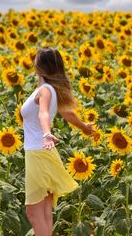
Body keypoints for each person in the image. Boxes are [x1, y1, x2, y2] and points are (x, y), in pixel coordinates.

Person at [20, 47, 95, 236]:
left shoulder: (45, 91)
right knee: (44, 211)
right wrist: (84, 126)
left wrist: (46, 133)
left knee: (34, 213)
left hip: (38, 152)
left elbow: (43, 112)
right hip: (45, 152)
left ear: (38, 66)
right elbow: (68, 113)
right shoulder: (51, 89)